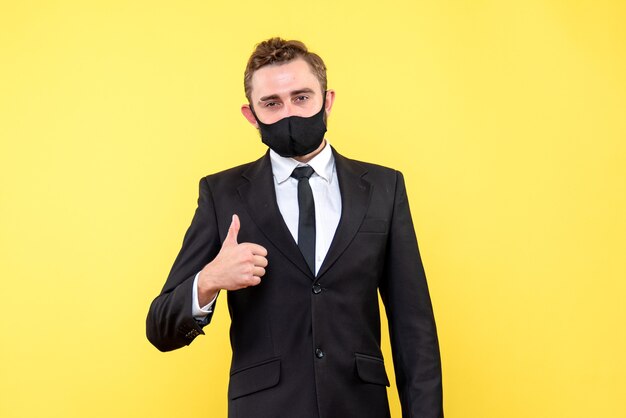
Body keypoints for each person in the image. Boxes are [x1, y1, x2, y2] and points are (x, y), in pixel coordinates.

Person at [146, 37, 443, 418]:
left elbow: (413, 328)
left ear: (327, 100)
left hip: (359, 407)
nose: (289, 112)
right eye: (271, 103)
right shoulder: (222, 194)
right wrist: (208, 281)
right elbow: (160, 329)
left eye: (301, 97)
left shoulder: (384, 188)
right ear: (251, 114)